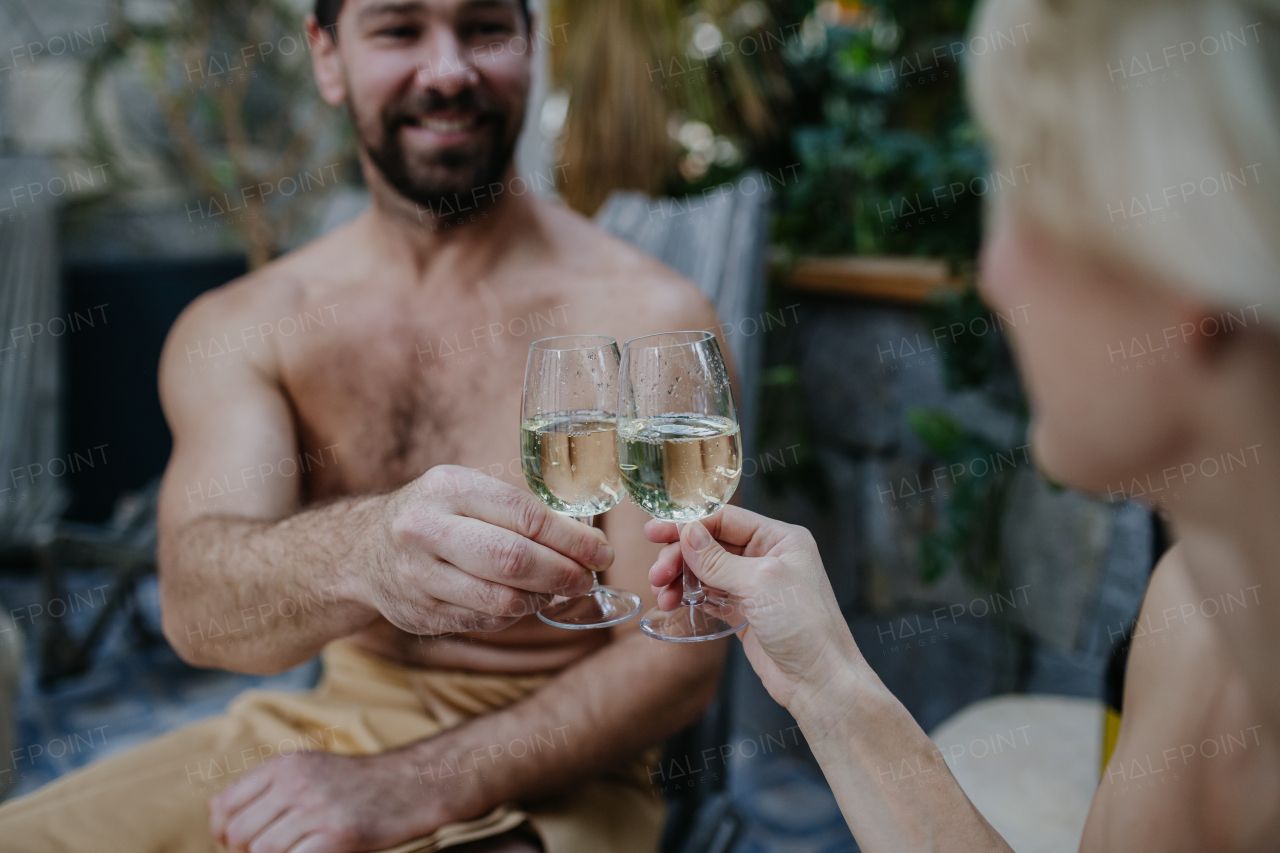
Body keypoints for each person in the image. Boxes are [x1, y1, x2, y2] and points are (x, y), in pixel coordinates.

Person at [0, 1, 729, 851]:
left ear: (533, 48)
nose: (448, 70)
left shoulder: (647, 315)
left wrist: (413, 783)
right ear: (327, 57)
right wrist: (363, 551)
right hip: (312, 728)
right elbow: (197, 607)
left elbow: (677, 657)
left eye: (485, 26)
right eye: (398, 29)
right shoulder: (250, 323)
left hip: (559, 766)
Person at [648, 0, 1280, 850]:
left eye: (1025, 195)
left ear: (1185, 262)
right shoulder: (1199, 610)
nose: (991, 276)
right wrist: (826, 678)